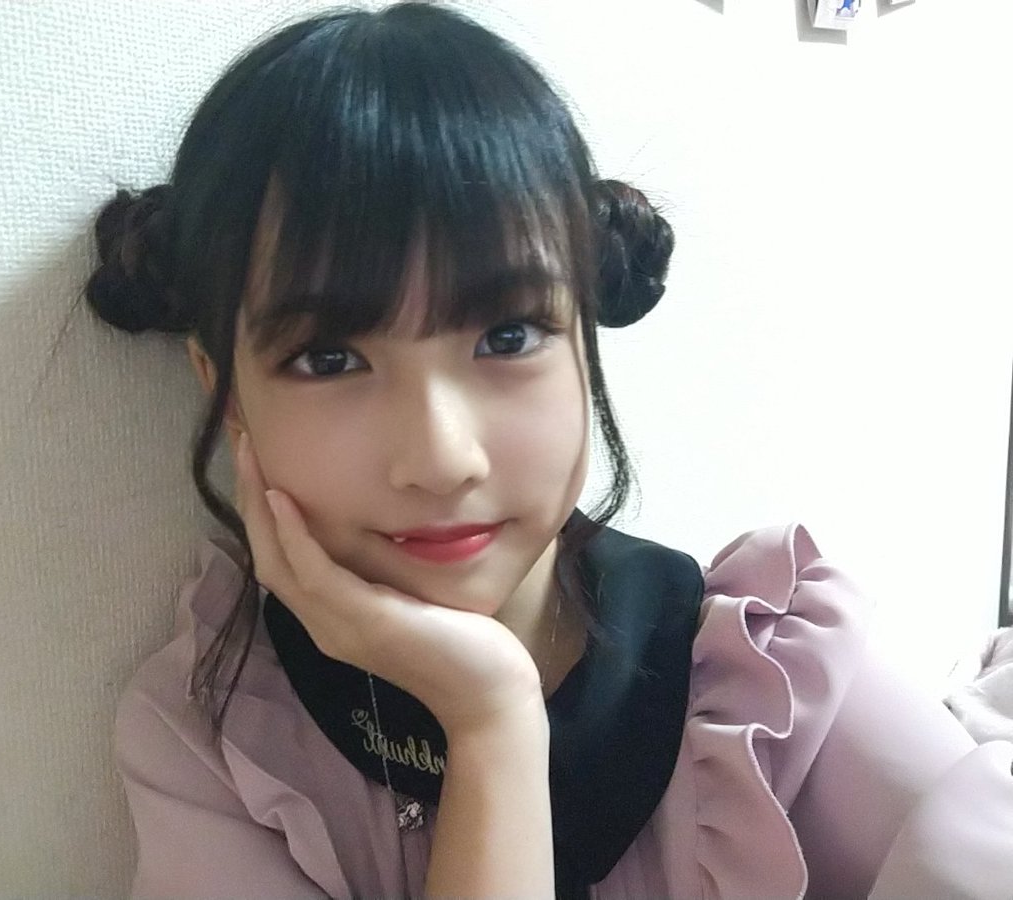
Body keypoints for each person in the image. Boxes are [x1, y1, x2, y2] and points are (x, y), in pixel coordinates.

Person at [85, 3, 1013, 897]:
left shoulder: (775, 681)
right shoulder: (218, 739)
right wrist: (490, 720)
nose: (443, 460)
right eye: (329, 359)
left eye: (508, 337)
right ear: (225, 392)